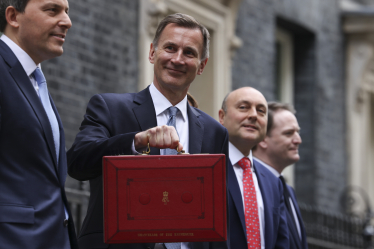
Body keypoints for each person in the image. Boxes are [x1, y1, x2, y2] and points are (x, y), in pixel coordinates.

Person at [67, 13, 229, 249]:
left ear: (202, 65)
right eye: (170, 48)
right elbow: (77, 163)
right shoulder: (110, 107)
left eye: (189, 53)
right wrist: (135, 141)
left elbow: (217, 211)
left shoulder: (215, 131)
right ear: (152, 52)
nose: (177, 59)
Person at [0, 0, 78, 248]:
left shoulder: (34, 79)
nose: (67, 21)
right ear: (13, 16)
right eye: (52, 10)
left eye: (66, 11)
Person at [219, 87, 289, 249]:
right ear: (222, 116)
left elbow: (281, 242)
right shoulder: (206, 170)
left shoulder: (273, 182)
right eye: (243, 107)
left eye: (261, 111)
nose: (253, 115)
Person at [253, 102, 307, 249]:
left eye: (298, 132)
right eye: (288, 133)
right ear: (263, 139)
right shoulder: (250, 187)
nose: (298, 140)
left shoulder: (288, 191)